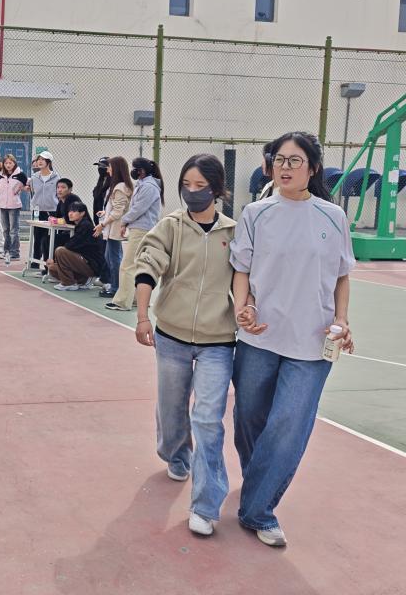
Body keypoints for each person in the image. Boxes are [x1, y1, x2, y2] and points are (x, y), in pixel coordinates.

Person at [229, 132, 355, 548]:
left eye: (294, 160)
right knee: (248, 418)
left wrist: (342, 319)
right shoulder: (256, 213)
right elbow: (242, 269)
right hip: (259, 339)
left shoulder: (332, 216)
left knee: (288, 425)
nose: (284, 167)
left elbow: (341, 275)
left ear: (312, 168)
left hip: (311, 345)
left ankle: (258, 510)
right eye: (278, 159)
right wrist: (243, 307)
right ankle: (259, 483)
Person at [133, 154, 237, 538]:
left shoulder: (234, 232)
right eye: (186, 186)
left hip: (218, 341)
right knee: (171, 407)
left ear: (217, 189)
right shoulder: (171, 226)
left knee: (208, 419)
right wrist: (143, 316)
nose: (192, 193)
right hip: (172, 336)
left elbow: (246, 278)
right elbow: (148, 265)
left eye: (200, 186)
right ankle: (176, 454)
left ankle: (205, 506)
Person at [107, 157, 164, 311]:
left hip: (142, 229)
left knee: (128, 265)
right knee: (137, 265)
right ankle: (134, 299)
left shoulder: (149, 187)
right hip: (139, 228)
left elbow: (138, 209)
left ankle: (122, 301)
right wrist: (126, 223)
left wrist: (124, 221)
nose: (132, 171)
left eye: (134, 168)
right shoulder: (144, 185)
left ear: (142, 170)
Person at [93, 157, 132, 298]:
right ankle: (115, 286)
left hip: (114, 228)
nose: (107, 169)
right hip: (113, 227)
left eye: (109, 167)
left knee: (114, 259)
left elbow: (118, 211)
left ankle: (116, 288)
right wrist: (105, 213)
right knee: (110, 257)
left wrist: (102, 224)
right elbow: (116, 208)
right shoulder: (118, 186)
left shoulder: (120, 187)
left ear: (115, 168)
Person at [46, 202, 104, 291]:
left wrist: (55, 259)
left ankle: (69, 283)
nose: (70, 213)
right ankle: (83, 280)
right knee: (52, 268)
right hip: (82, 263)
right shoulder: (80, 225)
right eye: (69, 211)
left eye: (74, 211)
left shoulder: (86, 225)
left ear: (82, 213)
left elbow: (71, 245)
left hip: (91, 265)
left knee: (60, 251)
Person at [0, 154, 27, 262]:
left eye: (10, 163)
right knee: (5, 230)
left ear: (14, 163)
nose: (8, 165)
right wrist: (0, 189)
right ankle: (6, 252)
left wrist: (20, 188)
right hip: (3, 205)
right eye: (6, 163)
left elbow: (27, 184)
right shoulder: (0, 175)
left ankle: (15, 253)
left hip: (14, 206)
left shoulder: (20, 175)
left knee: (13, 230)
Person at [27, 151, 60, 269]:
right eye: (38, 159)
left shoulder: (56, 177)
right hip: (37, 211)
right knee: (37, 236)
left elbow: (58, 194)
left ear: (48, 162)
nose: (39, 161)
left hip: (52, 211)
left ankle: (48, 263)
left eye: (43, 159)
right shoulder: (34, 178)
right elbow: (32, 192)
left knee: (49, 238)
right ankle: (35, 261)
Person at [92, 157, 112, 285]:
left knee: (107, 250)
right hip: (99, 219)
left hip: (106, 221)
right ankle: (102, 275)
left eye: (103, 167)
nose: (100, 169)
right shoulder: (100, 182)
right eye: (99, 166)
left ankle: (107, 278)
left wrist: (104, 221)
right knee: (101, 248)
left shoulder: (112, 184)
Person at [50, 178, 82, 250]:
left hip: (77, 233)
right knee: (46, 239)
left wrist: (57, 220)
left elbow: (69, 220)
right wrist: (52, 218)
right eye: (58, 187)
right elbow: (57, 217)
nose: (59, 190)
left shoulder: (72, 198)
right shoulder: (61, 201)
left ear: (70, 189)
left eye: (63, 187)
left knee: (49, 240)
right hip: (68, 231)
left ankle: (54, 257)